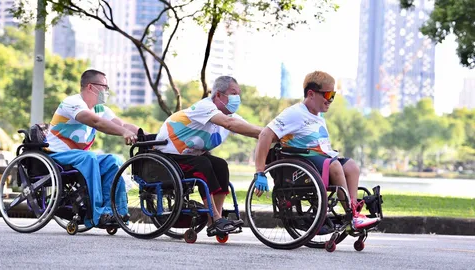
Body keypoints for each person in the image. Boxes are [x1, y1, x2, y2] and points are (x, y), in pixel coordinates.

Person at [252, 70, 380, 231]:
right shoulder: (295, 113)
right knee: (335, 166)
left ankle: (354, 210)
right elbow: (265, 134)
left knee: (352, 167)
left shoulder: (318, 115)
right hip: (302, 162)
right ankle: (352, 216)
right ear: (311, 94)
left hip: (321, 158)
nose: (331, 100)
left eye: (333, 95)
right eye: (327, 95)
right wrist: (259, 171)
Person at [155, 76, 262, 236]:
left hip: (191, 156)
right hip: (169, 156)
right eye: (233, 93)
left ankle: (215, 221)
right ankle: (215, 217)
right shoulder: (205, 107)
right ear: (218, 95)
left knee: (220, 165)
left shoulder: (229, 116)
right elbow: (229, 124)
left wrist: (277, 134)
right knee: (203, 164)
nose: (237, 98)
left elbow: (252, 129)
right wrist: (268, 134)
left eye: (239, 94)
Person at [46, 69, 139, 227]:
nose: (106, 91)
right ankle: (98, 213)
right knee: (89, 157)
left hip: (79, 157)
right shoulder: (72, 102)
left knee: (113, 160)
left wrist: (149, 136)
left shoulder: (100, 109)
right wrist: (124, 133)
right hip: (56, 156)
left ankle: (116, 211)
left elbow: (122, 124)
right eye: (104, 86)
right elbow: (95, 122)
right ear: (90, 87)